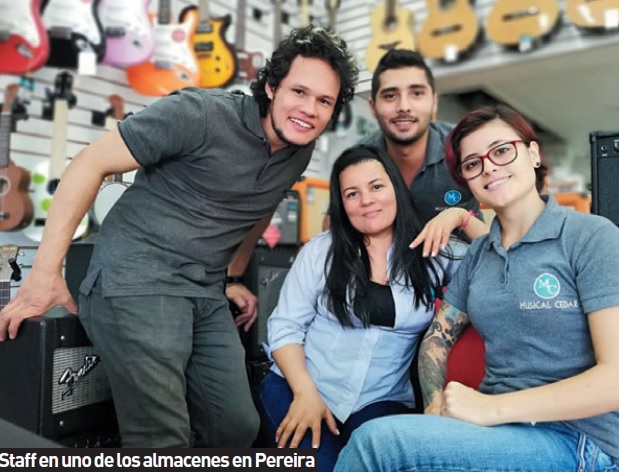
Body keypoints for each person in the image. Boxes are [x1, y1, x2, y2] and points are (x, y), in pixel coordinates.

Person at [0, 25, 359, 448]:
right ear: (271, 86)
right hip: (136, 279)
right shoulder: (199, 114)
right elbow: (88, 163)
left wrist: (233, 275)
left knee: (236, 429)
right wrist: (45, 273)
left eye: (324, 101)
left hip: (203, 291)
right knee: (162, 439)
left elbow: (259, 206)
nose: (309, 109)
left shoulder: (299, 150)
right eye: (299, 91)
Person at [334, 104, 619, 471]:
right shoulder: (480, 254)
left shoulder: (590, 236)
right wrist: (434, 404)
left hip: (579, 444)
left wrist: (491, 408)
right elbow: (437, 337)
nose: (489, 167)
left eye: (501, 151)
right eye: (473, 164)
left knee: (375, 445)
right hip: (496, 434)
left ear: (532, 153)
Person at [258, 145, 478, 471]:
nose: (366, 200)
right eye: (352, 194)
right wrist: (305, 392)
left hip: (382, 399)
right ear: (342, 204)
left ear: (395, 189)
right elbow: (285, 326)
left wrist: (461, 217)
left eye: (376, 186)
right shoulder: (322, 251)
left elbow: (503, 258)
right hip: (302, 386)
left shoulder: (431, 252)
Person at [360, 48, 481, 232]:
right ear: (373, 107)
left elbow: (510, 207)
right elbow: (335, 225)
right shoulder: (359, 158)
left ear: (434, 102)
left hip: (463, 249)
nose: (404, 107)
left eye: (416, 93)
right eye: (390, 96)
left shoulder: (464, 144)